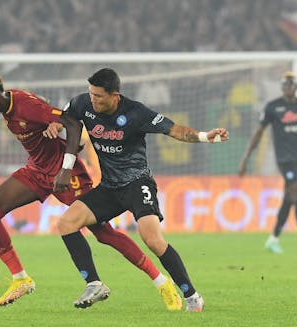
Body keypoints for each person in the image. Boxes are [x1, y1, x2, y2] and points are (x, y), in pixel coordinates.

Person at [0, 71, 182, 310]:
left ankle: (162, 282)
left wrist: (66, 167)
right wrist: (53, 121)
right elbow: (51, 112)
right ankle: (21, 279)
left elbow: (70, 122)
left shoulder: (24, 105)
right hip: (37, 170)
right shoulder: (11, 106)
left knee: (103, 233)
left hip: (65, 173)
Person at [49, 68, 229, 312]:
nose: (93, 100)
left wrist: (207, 137)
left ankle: (192, 296)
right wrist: (54, 126)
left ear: (115, 95)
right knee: (66, 223)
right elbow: (65, 119)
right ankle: (94, 283)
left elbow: (176, 130)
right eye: (91, 94)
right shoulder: (83, 103)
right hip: (109, 188)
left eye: (99, 96)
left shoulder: (136, 112)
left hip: (137, 183)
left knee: (152, 240)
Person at [239, 72, 297, 253]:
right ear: (282, 87)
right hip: (284, 159)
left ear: (296, 87)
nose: (288, 88)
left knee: (289, 198)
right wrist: (246, 158)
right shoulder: (273, 107)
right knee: (296, 192)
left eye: (291, 85)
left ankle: (273, 238)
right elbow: (259, 133)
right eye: (285, 85)